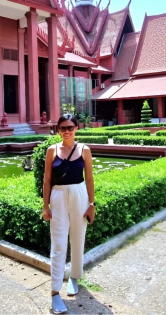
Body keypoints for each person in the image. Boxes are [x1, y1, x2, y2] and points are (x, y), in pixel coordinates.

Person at [42, 114, 96, 314]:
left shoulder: (85, 150)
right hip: (58, 196)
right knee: (58, 243)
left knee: (77, 237)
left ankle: (74, 276)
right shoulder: (52, 150)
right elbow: (47, 180)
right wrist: (45, 205)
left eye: (70, 127)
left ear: (76, 128)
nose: (67, 131)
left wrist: (91, 203)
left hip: (79, 194)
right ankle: (55, 292)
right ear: (58, 130)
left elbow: (89, 179)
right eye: (63, 128)